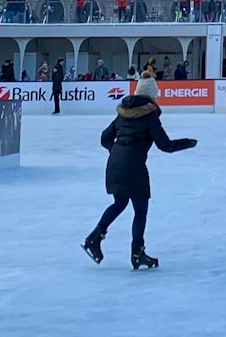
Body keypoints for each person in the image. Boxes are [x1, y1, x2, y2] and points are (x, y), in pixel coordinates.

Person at [81, 89, 196, 270]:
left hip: (115, 164)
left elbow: (105, 139)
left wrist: (118, 151)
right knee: (140, 210)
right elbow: (165, 145)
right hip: (134, 168)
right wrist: (188, 143)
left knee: (119, 203)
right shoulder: (149, 116)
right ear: (151, 96)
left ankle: (94, 238)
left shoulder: (123, 114)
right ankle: (137, 253)